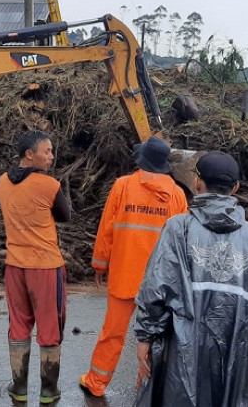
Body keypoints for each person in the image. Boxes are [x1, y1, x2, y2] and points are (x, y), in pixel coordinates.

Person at [134, 151, 248, 406]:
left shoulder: (178, 228)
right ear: (235, 188)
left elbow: (157, 288)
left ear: (197, 182)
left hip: (184, 344)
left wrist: (145, 337)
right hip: (238, 343)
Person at [79, 137, 188, 398]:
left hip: (124, 274)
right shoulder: (176, 194)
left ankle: (96, 382)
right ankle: (145, 387)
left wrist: (99, 264)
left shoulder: (123, 186)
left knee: (112, 333)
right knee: (153, 335)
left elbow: (107, 229)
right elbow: (181, 243)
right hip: (159, 282)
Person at [0, 131, 71, 404]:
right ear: (30, 154)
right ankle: (49, 391)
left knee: (18, 326)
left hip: (15, 265)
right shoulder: (49, 185)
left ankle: (19, 388)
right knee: (50, 327)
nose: (51, 156)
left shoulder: (3, 181)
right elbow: (65, 216)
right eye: (47, 151)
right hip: (45, 266)